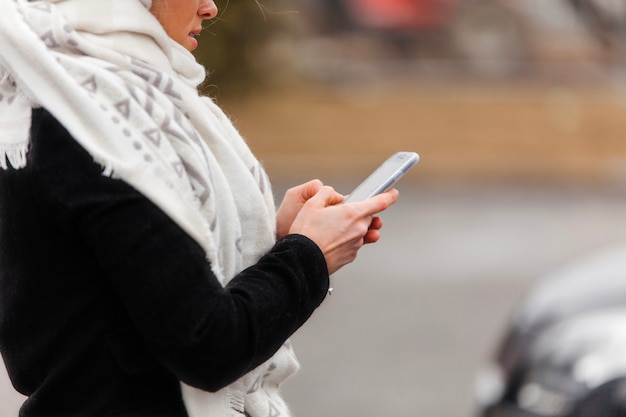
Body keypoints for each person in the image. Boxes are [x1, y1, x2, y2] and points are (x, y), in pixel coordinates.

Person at [0, 1, 399, 416]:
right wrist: (308, 255)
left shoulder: (69, 100)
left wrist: (278, 240)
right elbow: (207, 346)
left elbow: (126, 295)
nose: (210, 8)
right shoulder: (98, 128)